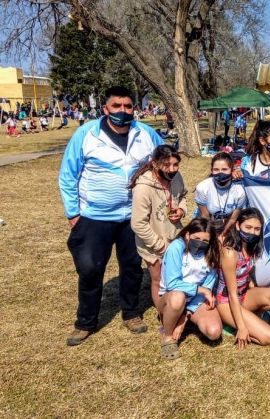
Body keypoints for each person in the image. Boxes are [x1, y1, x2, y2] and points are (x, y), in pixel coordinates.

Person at [59, 86, 163, 346]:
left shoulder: (146, 134)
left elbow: (164, 164)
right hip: (94, 216)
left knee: (132, 267)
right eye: (116, 106)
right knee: (90, 269)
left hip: (134, 217)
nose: (122, 111)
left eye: (128, 106)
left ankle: (131, 313)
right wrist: (74, 213)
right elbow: (68, 175)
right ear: (105, 109)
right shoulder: (86, 134)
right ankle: (85, 322)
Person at [216, 208, 270, 348]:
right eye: (247, 227)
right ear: (237, 226)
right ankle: (232, 324)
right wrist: (242, 327)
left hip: (243, 295)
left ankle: (245, 319)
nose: (252, 232)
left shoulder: (250, 246)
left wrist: (251, 285)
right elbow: (231, 294)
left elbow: (245, 272)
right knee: (269, 338)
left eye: (257, 229)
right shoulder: (230, 252)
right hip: (226, 302)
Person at [130, 144, 187, 308]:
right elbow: (138, 224)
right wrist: (160, 246)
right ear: (155, 164)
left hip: (175, 237)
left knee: (175, 276)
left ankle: (176, 307)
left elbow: (183, 195)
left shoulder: (176, 177)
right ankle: (163, 314)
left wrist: (181, 210)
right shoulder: (143, 188)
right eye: (166, 165)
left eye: (175, 164)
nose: (172, 169)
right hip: (153, 243)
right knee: (159, 280)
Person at [158, 218, 222, 360]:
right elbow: (172, 284)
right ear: (187, 235)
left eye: (205, 241)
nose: (200, 243)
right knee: (178, 297)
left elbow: (207, 286)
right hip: (170, 297)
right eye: (196, 238)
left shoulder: (210, 254)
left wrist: (186, 316)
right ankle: (168, 337)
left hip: (194, 300)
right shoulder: (177, 247)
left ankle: (184, 320)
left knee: (214, 332)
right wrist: (202, 290)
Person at [194, 152, 247, 237]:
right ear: (211, 170)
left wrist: (222, 235)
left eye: (224, 169)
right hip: (206, 225)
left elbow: (233, 219)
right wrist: (212, 237)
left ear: (232, 170)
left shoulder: (239, 191)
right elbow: (205, 216)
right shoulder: (202, 187)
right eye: (216, 169)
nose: (220, 173)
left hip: (228, 226)